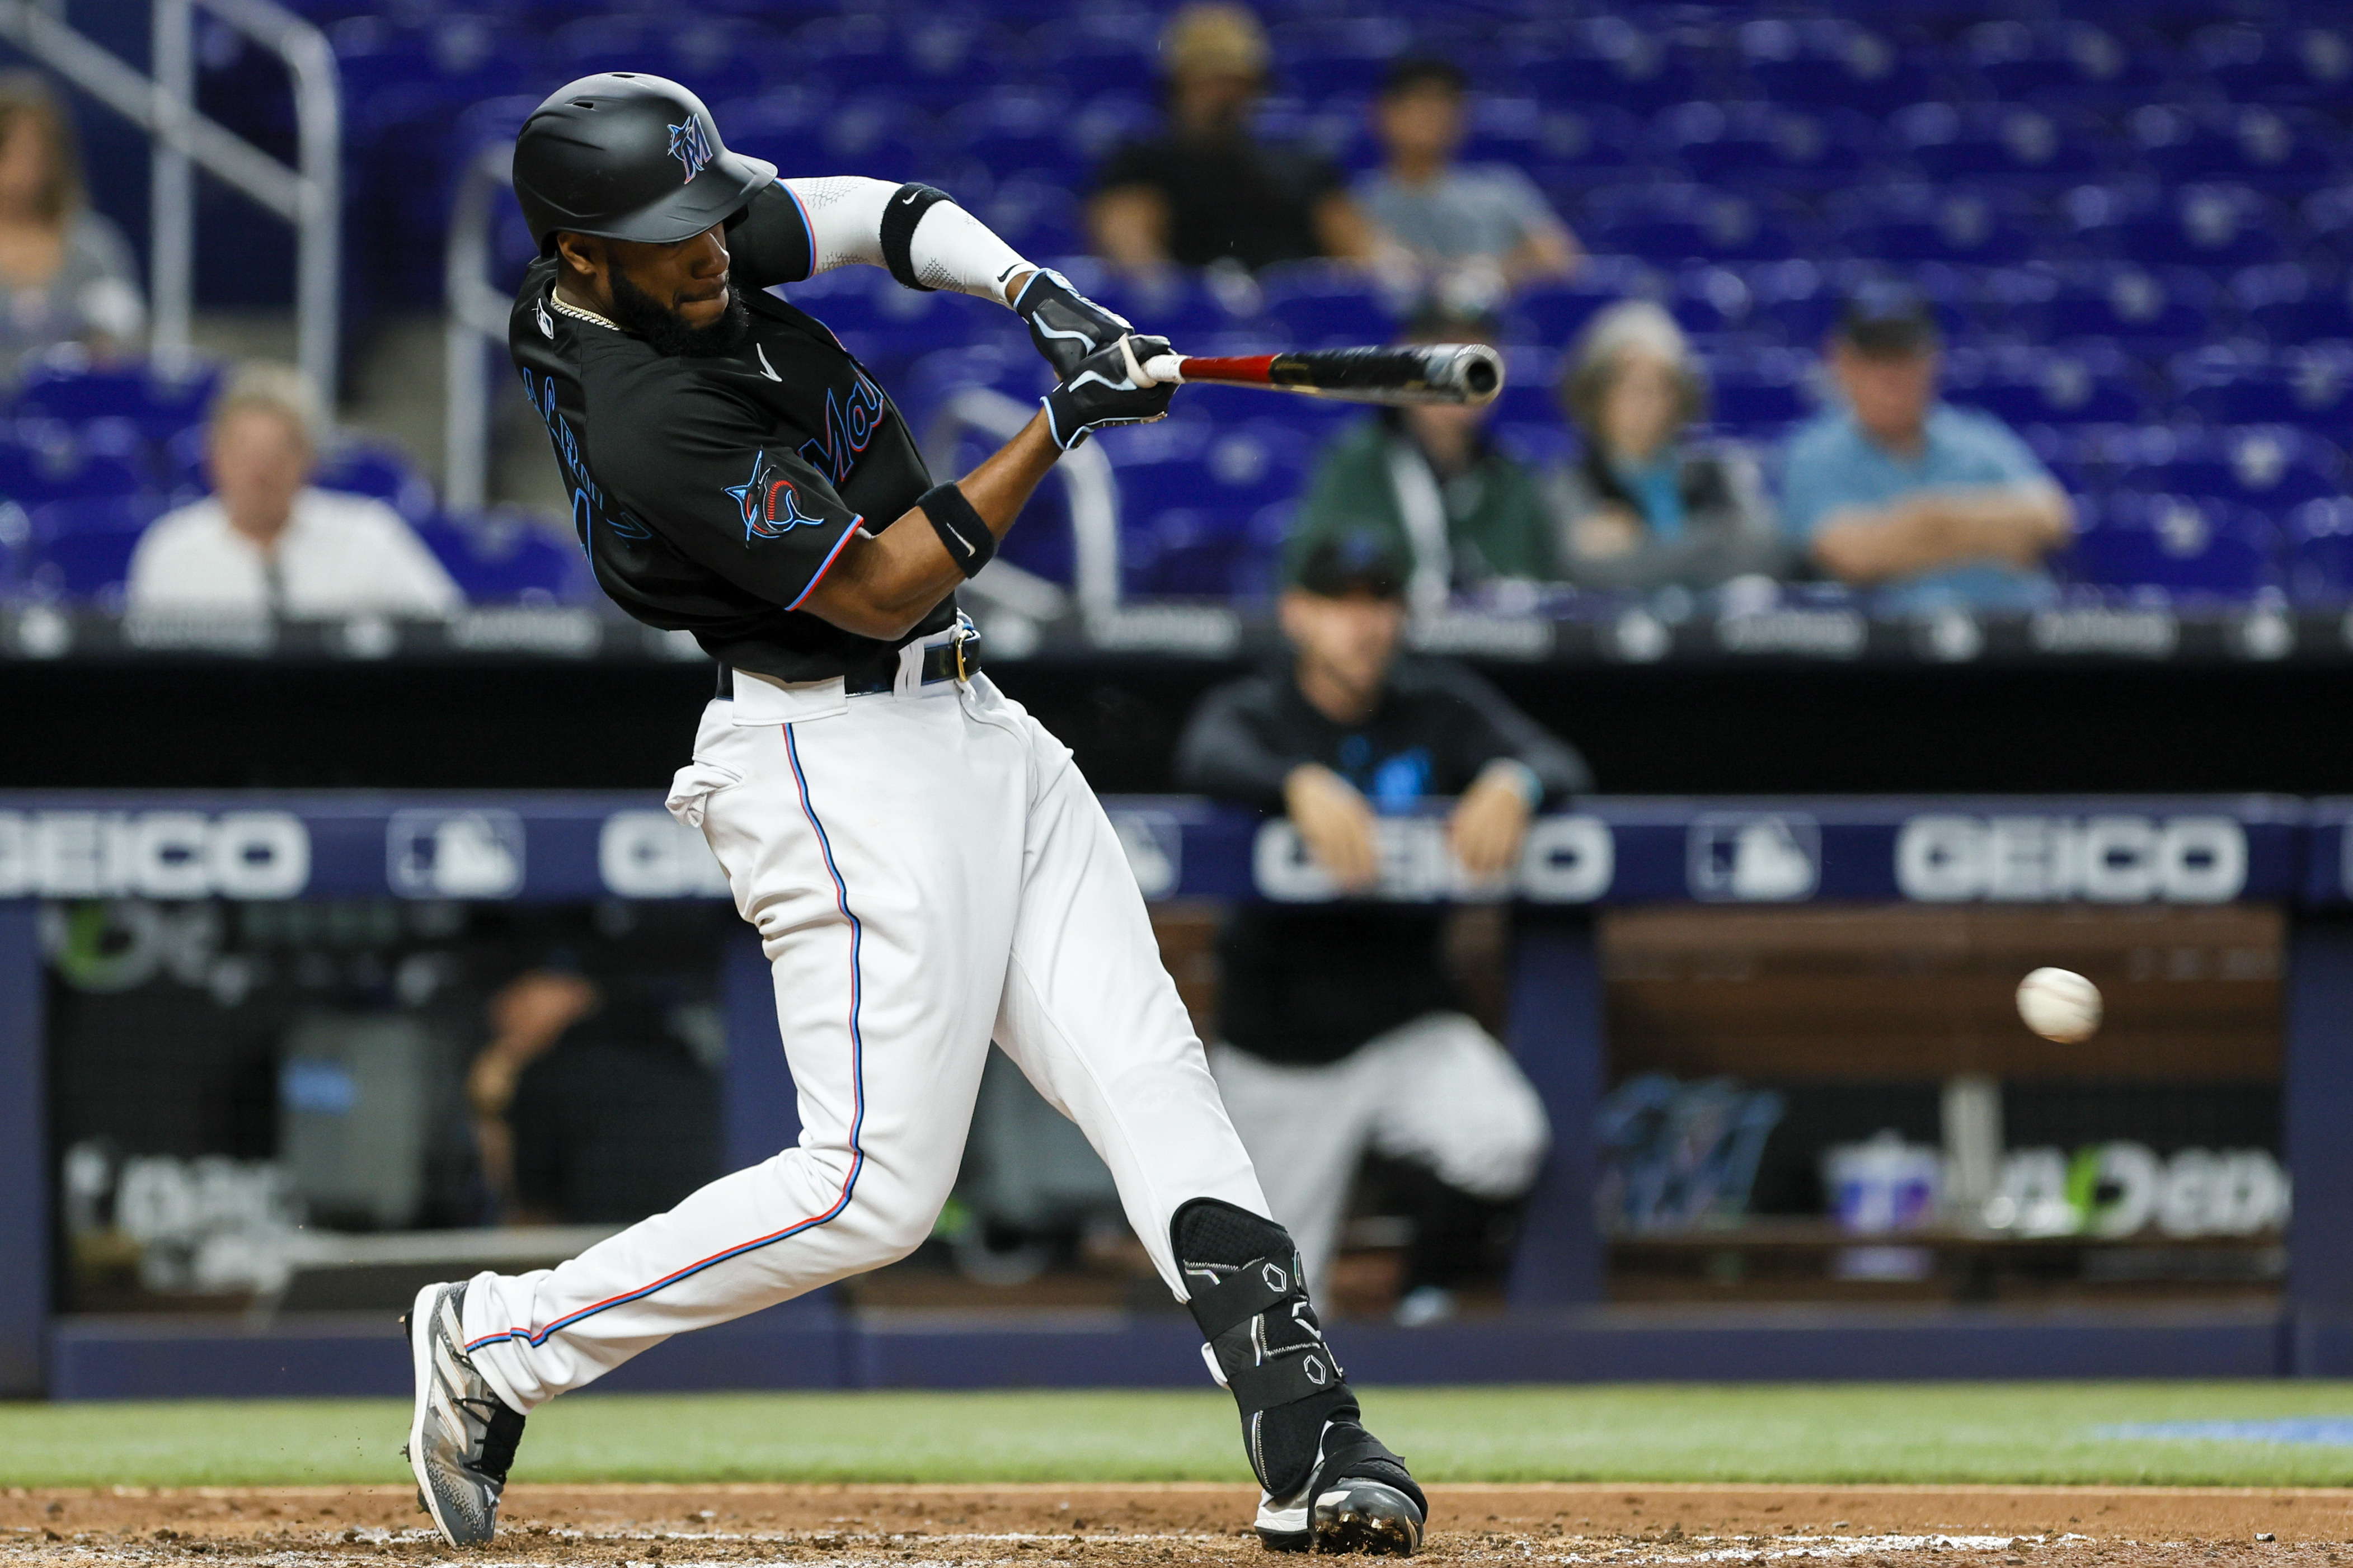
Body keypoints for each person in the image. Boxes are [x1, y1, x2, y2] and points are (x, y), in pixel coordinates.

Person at [403, 74, 1426, 1560]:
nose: (713, 247)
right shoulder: (646, 419)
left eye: (706, 217)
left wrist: (1038, 293)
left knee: (1142, 1059)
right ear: (578, 255)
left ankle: (1304, 1422)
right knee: (869, 1191)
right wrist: (1060, 418)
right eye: (674, 233)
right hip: (830, 757)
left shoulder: (659, 258)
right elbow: (889, 583)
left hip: (969, 725)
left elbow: (881, 217)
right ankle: (500, 1343)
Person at [1175, 534, 1580, 1320]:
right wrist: (1294, 781)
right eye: (1337, 602)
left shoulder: (1436, 704)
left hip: (1405, 1025)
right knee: (1272, 1307)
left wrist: (1513, 778)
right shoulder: (1258, 712)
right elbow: (1204, 754)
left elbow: (1554, 756)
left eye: (1377, 602)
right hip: (1282, 1052)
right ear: (1297, 614)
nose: (1360, 624)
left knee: (1505, 1137)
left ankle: (1420, 1279)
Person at [1780, 282, 2074, 610]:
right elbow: (1850, 553)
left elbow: (2051, 519)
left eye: (1904, 357)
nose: (1890, 376)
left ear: (1932, 360)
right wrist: (1993, 535)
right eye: (1875, 358)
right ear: (1842, 363)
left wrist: (1927, 526)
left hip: (2017, 641)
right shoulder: (1812, 453)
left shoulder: (1979, 436)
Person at [124, 362, 463, 618]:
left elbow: (446, 632)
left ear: (308, 458)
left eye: (276, 454)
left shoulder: (368, 536)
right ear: (216, 457)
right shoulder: (172, 551)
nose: (260, 472)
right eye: (246, 453)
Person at [1287, 303, 1557, 611]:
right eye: (1443, 359)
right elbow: (1310, 583)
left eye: (1477, 360)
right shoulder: (1356, 463)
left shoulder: (1510, 475)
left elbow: (1539, 584)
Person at [1088, 3, 1382, 274]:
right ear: (1177, 85)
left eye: (1236, 82)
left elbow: (1366, 257)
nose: (1224, 95)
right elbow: (1136, 262)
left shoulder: (1301, 169)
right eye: (1208, 81)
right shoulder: (1142, 166)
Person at [1548, 300, 1787, 591]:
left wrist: (1640, 550)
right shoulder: (1572, 482)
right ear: (1595, 396)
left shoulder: (1717, 474)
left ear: (1681, 398)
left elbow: (1765, 551)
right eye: (1627, 386)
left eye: (1658, 387)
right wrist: (1713, 541)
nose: (1643, 403)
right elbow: (1579, 570)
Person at [1352, 57, 1579, 298]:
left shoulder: (1502, 187)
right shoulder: (1352, 200)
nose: (1429, 114)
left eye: (1443, 102)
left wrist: (1496, 274)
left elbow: (1559, 260)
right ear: (1383, 112)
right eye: (1416, 101)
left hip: (1494, 328)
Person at [0, 72, 143, 376]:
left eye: (36, 154)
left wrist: (104, 348)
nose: (22, 168)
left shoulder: (95, 248)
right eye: (9, 151)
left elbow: (121, 340)